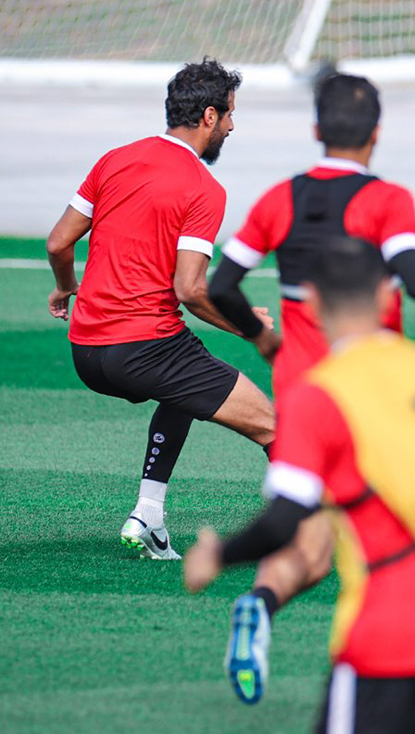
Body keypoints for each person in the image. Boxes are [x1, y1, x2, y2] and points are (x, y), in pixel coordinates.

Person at [206, 73, 415, 731]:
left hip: (307, 401)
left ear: (316, 130)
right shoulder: (386, 200)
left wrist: (263, 338)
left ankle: (260, 602)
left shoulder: (279, 199)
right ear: (376, 134)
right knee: (414, 542)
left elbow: (222, 283)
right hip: (379, 402)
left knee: (317, 535)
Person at [184, 237, 415, 734]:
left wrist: (217, 556)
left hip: (385, 632)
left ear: (310, 304)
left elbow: (287, 517)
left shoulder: (320, 394)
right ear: (386, 297)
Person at [45, 58, 276, 560]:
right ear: (209, 117)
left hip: (86, 351)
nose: (234, 127)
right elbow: (190, 291)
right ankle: (305, 537)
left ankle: (148, 514)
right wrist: (251, 328)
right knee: (273, 427)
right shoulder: (203, 187)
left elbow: (59, 243)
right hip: (145, 348)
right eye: (231, 115)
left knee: (187, 381)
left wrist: (67, 288)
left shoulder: (115, 159)